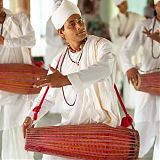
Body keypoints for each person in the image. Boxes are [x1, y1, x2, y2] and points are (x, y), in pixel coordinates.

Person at [23, 0, 121, 159]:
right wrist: (31, 116)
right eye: (72, 24)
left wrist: (66, 79)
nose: (79, 26)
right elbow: (46, 97)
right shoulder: (58, 62)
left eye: (80, 21)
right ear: (61, 32)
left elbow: (104, 68)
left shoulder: (101, 46)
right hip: (72, 130)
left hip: (102, 128)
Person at [120, 0, 160, 159]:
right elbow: (126, 50)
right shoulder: (144, 25)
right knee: (141, 135)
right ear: (155, 7)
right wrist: (129, 67)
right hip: (146, 88)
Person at [0, 0, 36, 159]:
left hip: (19, 81)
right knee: (7, 125)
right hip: (2, 82)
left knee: (19, 125)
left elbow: (31, 40)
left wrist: (6, 42)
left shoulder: (19, 18)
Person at [109, 0, 145, 109]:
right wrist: (128, 36)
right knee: (117, 77)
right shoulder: (114, 21)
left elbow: (143, 24)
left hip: (132, 52)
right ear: (118, 6)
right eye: (123, 3)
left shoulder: (136, 16)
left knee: (133, 75)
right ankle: (114, 103)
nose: (126, 5)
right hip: (119, 51)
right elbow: (115, 39)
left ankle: (132, 103)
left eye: (125, 2)